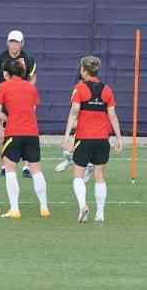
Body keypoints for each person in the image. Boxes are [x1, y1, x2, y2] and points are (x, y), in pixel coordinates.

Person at [61, 56, 124, 223]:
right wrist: (119, 138)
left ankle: (83, 206)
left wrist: (67, 135)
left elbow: (74, 112)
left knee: (78, 175)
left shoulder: (79, 88)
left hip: (84, 139)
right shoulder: (107, 90)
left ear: (83, 70)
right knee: (99, 176)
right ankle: (100, 214)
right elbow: (112, 116)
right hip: (102, 140)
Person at [0, 60, 49, 219]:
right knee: (36, 170)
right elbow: (33, 108)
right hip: (32, 132)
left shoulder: (3, 86)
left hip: (13, 132)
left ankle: (14, 209)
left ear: (6, 74)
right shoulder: (31, 87)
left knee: (10, 170)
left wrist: (7, 119)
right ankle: (44, 207)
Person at [0, 30, 37, 178]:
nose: (14, 45)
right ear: (7, 42)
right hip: (4, 99)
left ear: (22, 43)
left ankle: (26, 166)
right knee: (2, 132)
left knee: (26, 130)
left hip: (22, 100)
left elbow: (33, 77)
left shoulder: (28, 58)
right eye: (11, 42)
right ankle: (5, 164)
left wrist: (26, 89)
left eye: (17, 42)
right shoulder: (0, 58)